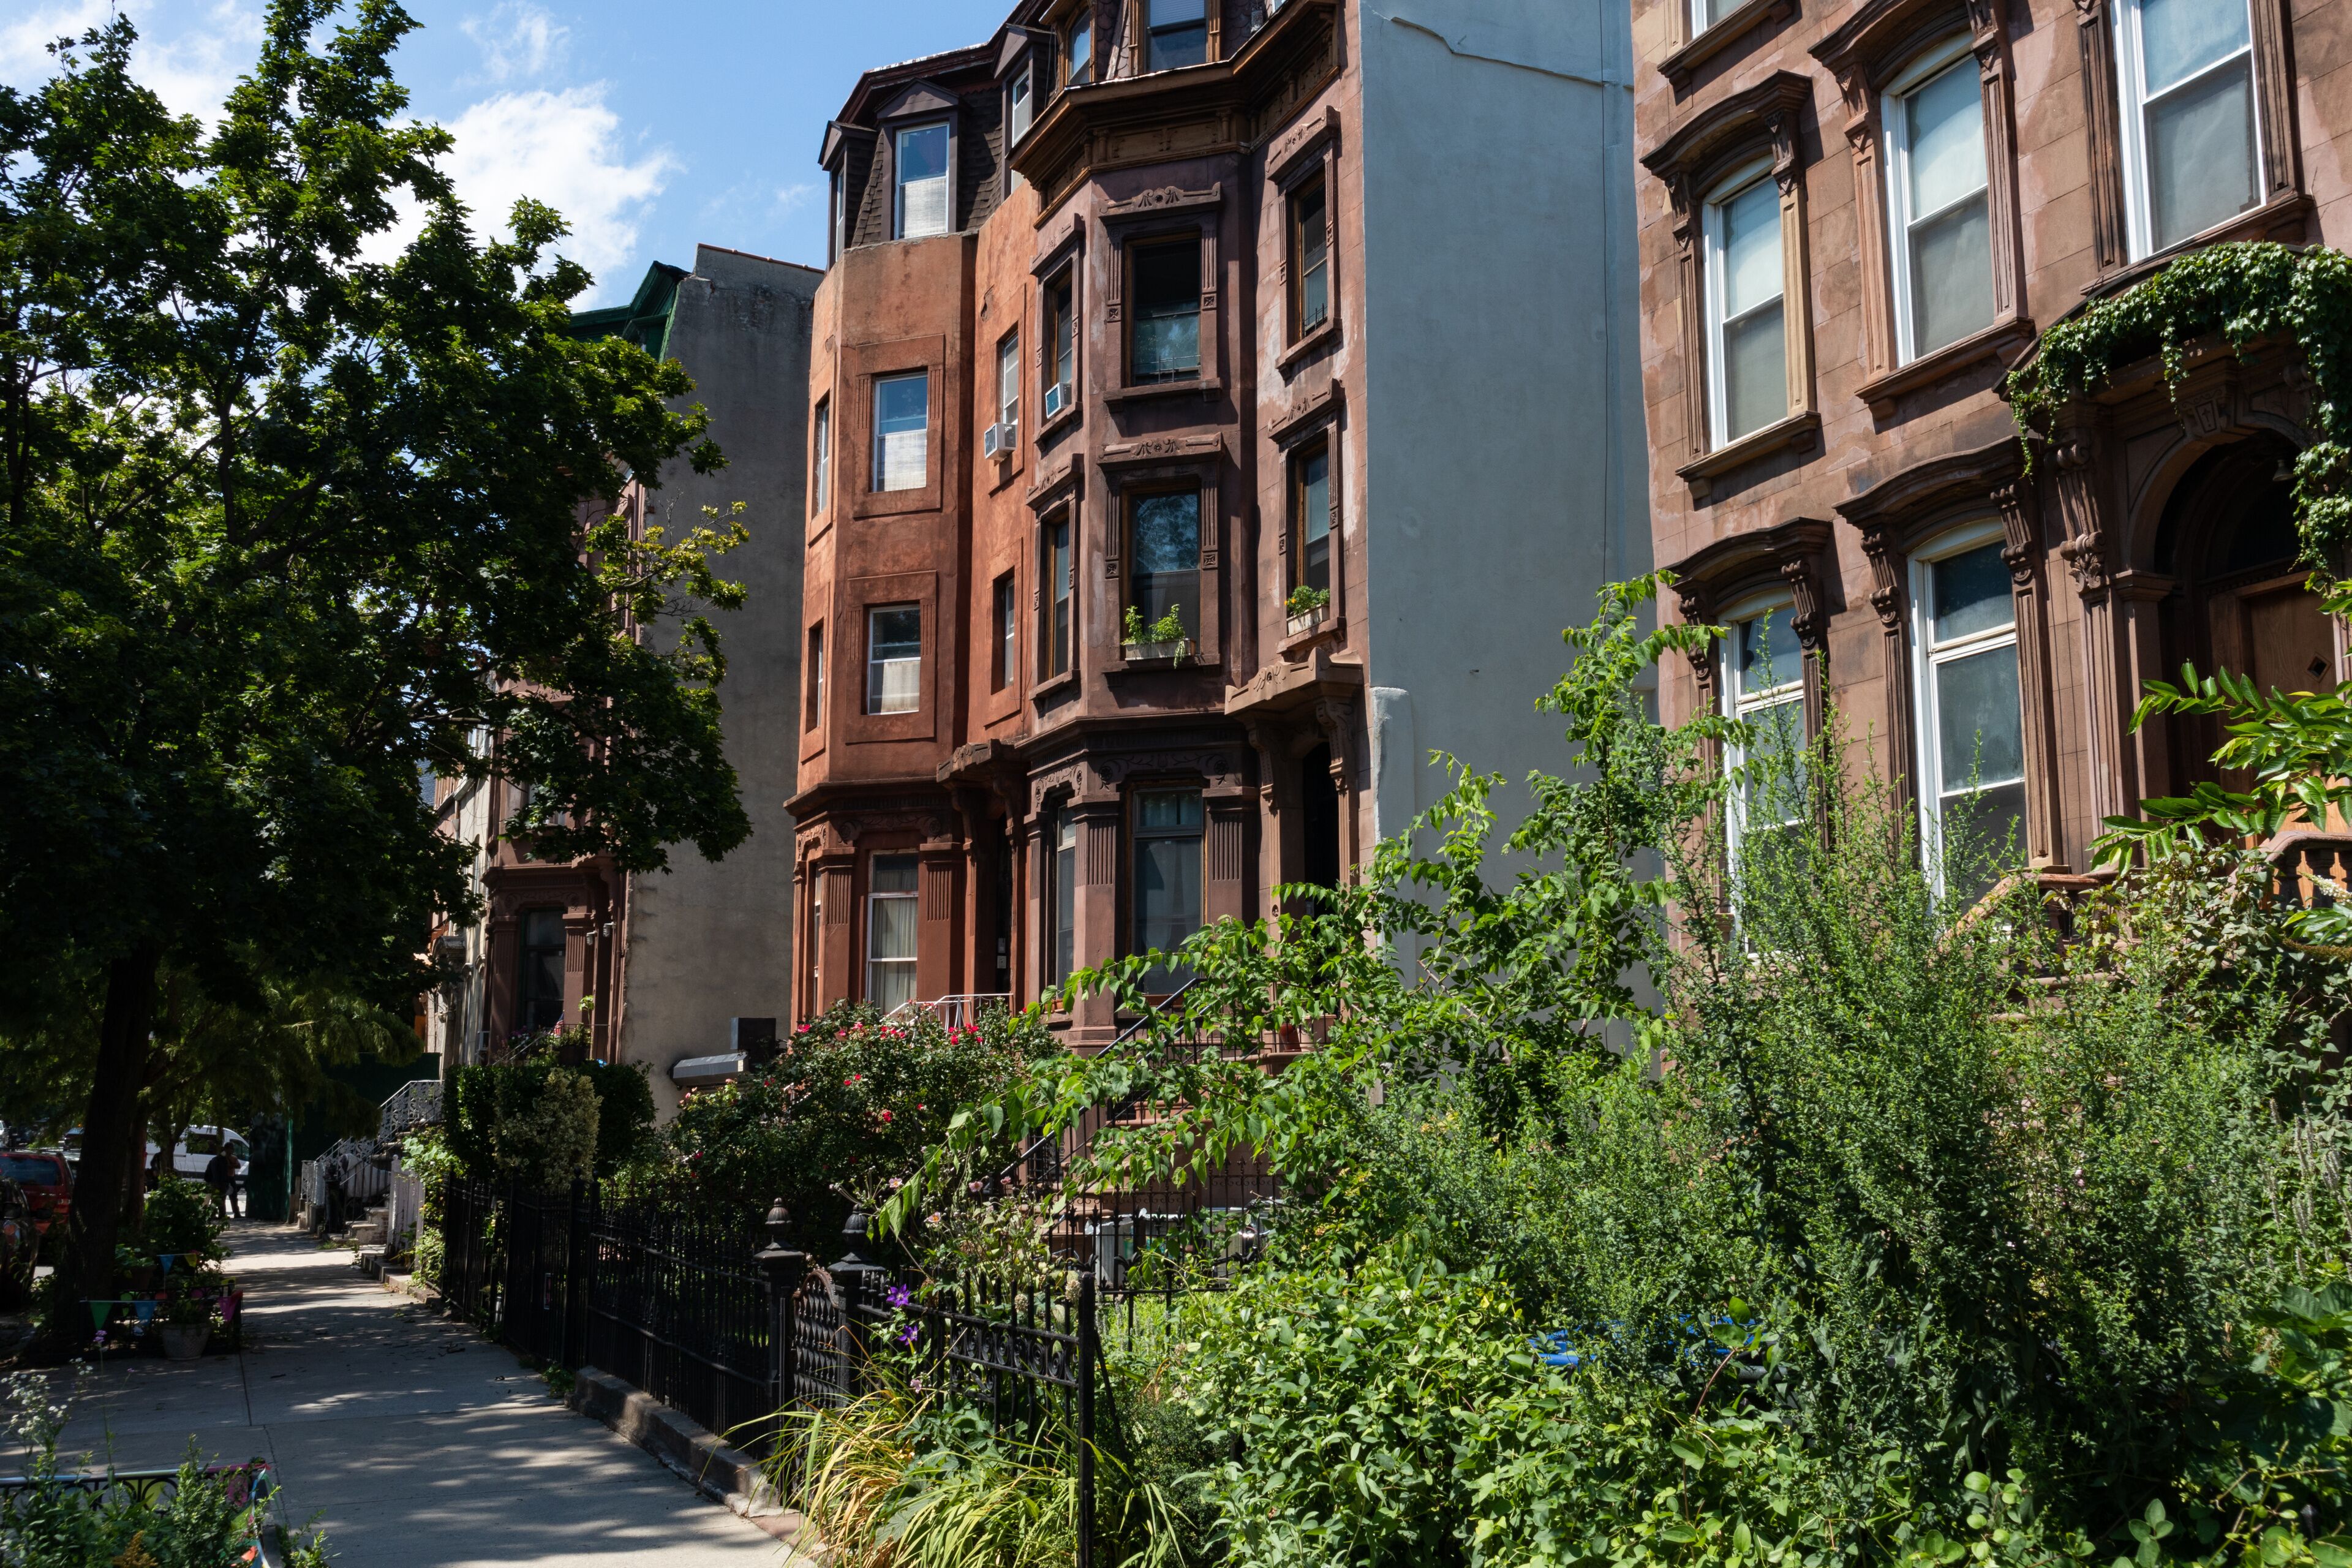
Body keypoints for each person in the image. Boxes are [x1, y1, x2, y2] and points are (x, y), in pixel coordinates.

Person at [202, 1148, 237, 1217]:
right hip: (219, 1183)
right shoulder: (219, 1160)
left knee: (217, 1199)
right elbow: (217, 1173)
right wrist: (219, 1183)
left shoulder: (217, 1160)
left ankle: (216, 1214)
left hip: (218, 1182)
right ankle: (218, 1215)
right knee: (219, 1200)